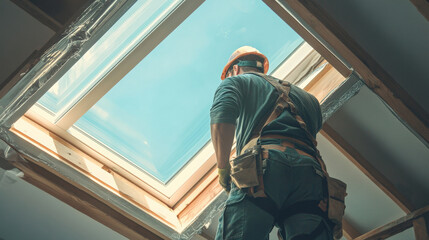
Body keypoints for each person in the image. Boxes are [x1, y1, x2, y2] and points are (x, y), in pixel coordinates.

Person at [210, 46, 333, 240]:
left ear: (234, 69)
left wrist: (223, 169)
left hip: (265, 167)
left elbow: (221, 120)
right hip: (312, 175)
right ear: (261, 67)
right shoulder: (309, 99)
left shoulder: (236, 81)